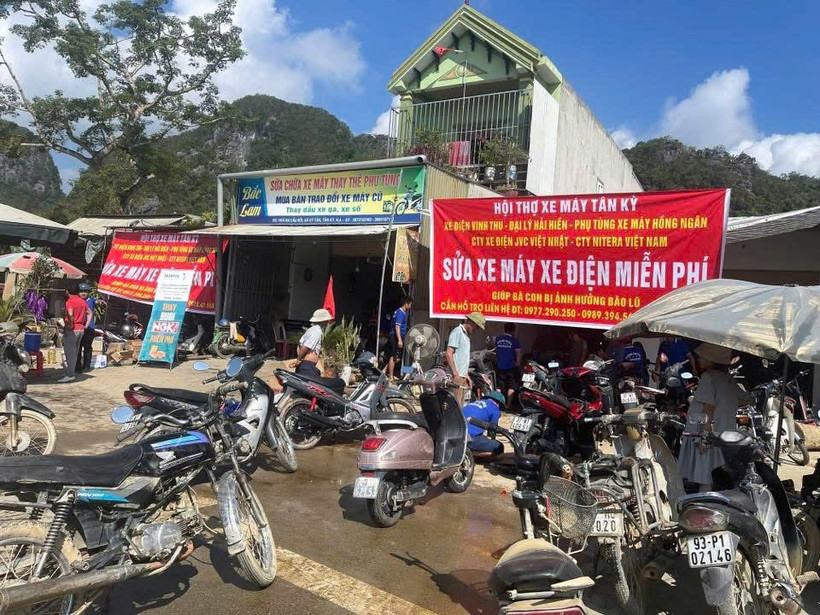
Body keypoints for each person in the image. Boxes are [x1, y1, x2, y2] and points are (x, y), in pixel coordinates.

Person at [677, 343, 742, 492]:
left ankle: (704, 502)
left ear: (711, 360)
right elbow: (745, 399)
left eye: (701, 357)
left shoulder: (708, 377)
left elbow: (708, 409)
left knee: (705, 477)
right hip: (725, 433)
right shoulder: (728, 379)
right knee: (718, 474)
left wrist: (704, 437)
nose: (699, 360)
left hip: (706, 433)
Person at [445, 311, 485, 405]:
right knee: (456, 406)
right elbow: (449, 354)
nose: (476, 330)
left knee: (462, 405)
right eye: (476, 327)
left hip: (462, 376)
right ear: (471, 322)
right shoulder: (458, 331)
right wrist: (455, 375)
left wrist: (466, 375)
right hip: (455, 376)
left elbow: (462, 358)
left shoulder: (466, 336)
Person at [59, 285, 90, 383]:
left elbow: (70, 314)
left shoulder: (70, 301)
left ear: (67, 291)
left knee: (70, 353)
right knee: (75, 352)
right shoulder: (82, 301)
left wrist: (70, 326)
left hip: (72, 330)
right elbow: (90, 313)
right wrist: (86, 325)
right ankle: (71, 372)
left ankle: (70, 375)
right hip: (81, 329)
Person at [294, 308, 334, 378]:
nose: (328, 322)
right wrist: (298, 359)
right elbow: (305, 346)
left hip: (306, 365)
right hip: (307, 367)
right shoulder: (316, 331)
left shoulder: (312, 329)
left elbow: (301, 345)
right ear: (322, 320)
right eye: (326, 320)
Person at [385, 296, 412, 381]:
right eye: (410, 304)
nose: (410, 307)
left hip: (397, 336)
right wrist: (399, 339)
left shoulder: (399, 312)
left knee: (398, 358)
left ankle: (384, 370)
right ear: (406, 304)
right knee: (393, 356)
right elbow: (397, 326)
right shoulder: (400, 312)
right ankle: (391, 376)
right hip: (395, 336)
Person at [495, 323, 522, 407]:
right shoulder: (514, 340)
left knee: (499, 386)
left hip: (500, 365)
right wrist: (518, 363)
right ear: (513, 330)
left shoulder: (498, 339)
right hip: (511, 366)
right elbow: (519, 353)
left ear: (504, 329)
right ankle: (508, 405)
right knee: (511, 386)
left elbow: (495, 350)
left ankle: (496, 404)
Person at [75, 283, 100, 373]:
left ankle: (86, 366)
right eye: (81, 291)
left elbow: (97, 302)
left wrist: (101, 302)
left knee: (87, 348)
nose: (83, 293)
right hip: (78, 328)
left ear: (88, 292)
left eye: (85, 291)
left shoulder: (91, 300)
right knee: (78, 348)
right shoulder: (76, 301)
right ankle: (77, 367)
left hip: (89, 328)